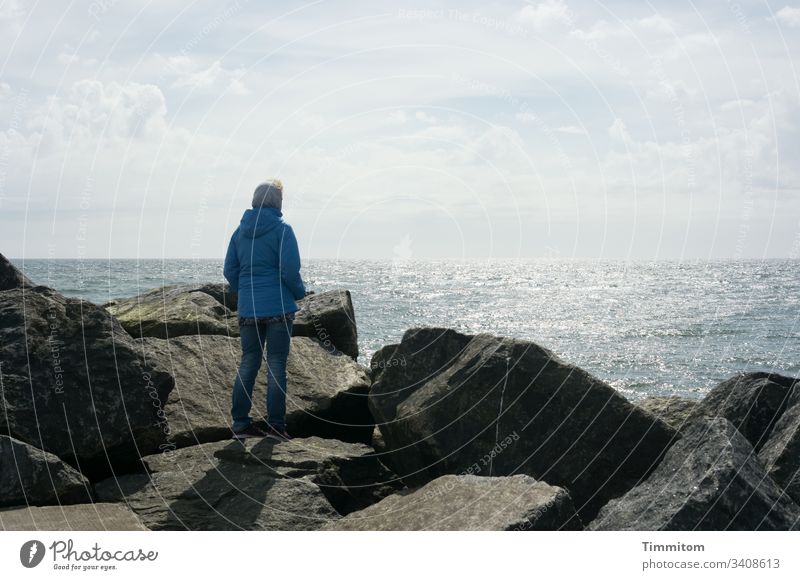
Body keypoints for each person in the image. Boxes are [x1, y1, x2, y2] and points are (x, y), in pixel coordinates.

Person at [224, 180, 306, 440]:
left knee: (249, 361)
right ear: (277, 201)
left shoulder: (239, 231)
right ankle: (276, 426)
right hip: (278, 306)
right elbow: (289, 269)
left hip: (248, 309)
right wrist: (299, 293)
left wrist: (245, 291)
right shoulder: (283, 230)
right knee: (276, 364)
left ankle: (240, 425)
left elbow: (230, 270)